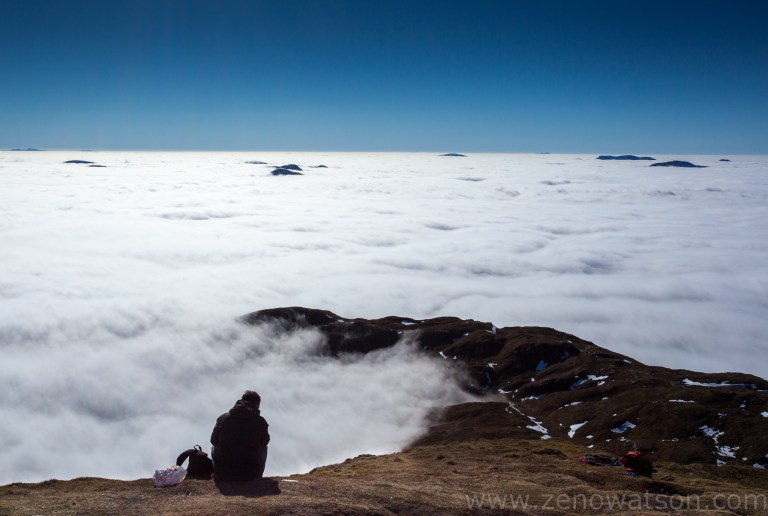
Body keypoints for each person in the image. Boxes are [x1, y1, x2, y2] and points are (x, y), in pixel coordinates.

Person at [210, 390, 270, 481]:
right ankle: (257, 475)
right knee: (264, 447)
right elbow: (265, 442)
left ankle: (220, 470)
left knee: (215, 446)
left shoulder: (223, 418)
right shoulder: (260, 421)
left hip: (223, 474)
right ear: (257, 404)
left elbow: (213, 441)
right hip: (250, 475)